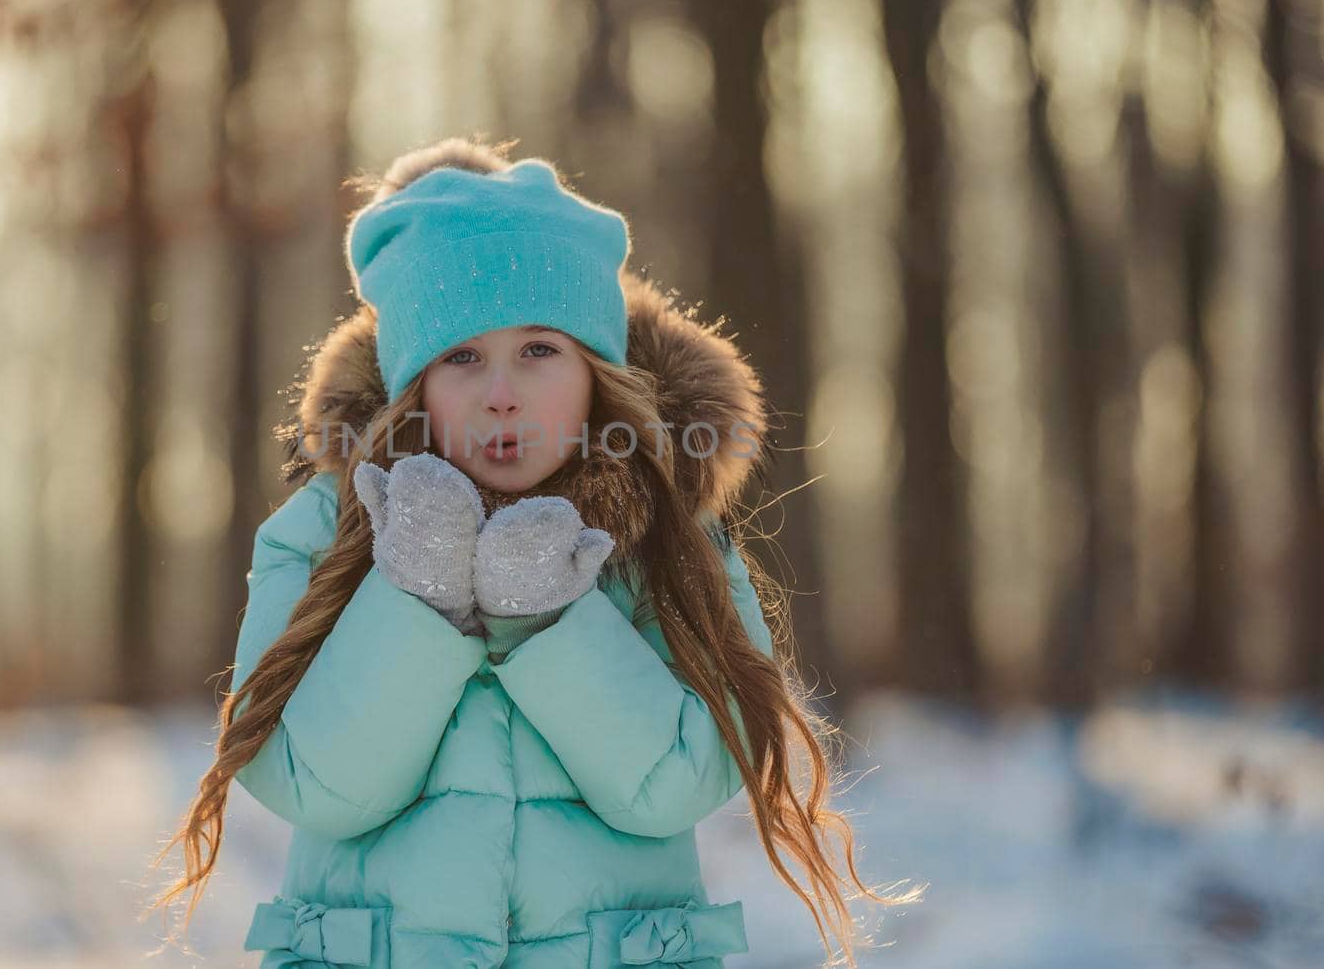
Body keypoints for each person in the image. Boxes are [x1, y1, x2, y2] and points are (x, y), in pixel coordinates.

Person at [149, 136, 916, 967]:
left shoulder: (666, 534)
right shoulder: (322, 529)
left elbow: (681, 785)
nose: (502, 393)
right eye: (462, 356)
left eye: (540, 350)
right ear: (414, 382)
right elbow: (308, 783)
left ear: (597, 372)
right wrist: (420, 599)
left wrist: (549, 619)